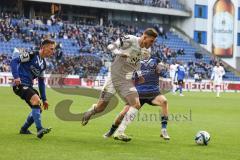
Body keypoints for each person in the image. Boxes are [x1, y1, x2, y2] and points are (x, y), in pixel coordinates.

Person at [81, 28, 158, 142]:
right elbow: (111, 46)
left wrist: (139, 74)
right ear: (145, 37)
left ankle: (120, 132)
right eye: (151, 41)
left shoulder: (146, 51)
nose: (152, 44)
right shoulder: (130, 39)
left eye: (153, 42)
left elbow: (136, 63)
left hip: (126, 80)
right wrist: (120, 53)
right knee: (101, 107)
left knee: (136, 104)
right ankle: (92, 110)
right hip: (114, 77)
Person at [104, 57, 170, 141]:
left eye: (147, 49)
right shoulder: (134, 63)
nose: (145, 51)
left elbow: (163, 73)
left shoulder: (156, 60)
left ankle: (163, 130)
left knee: (164, 101)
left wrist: (162, 68)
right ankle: (111, 131)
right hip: (138, 93)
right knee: (124, 112)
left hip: (153, 92)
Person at [10, 39, 56, 139]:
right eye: (51, 49)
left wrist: (44, 99)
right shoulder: (31, 54)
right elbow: (14, 61)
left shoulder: (43, 64)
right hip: (20, 84)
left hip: (28, 86)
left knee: (39, 108)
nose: (53, 52)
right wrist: (16, 76)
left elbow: (41, 82)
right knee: (35, 99)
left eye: (53, 49)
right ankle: (39, 129)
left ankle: (24, 129)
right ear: (44, 47)